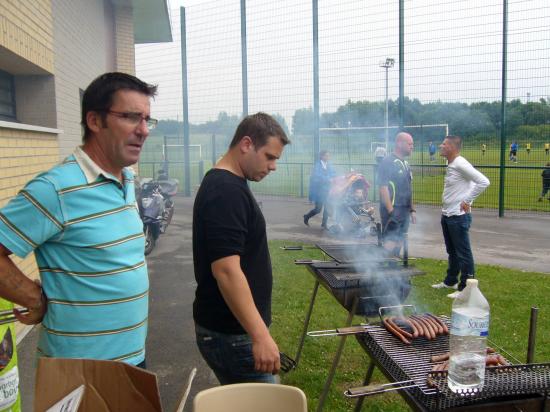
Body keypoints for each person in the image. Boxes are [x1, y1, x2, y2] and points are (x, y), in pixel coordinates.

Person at [0, 72, 157, 366]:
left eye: (147, 119)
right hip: (81, 371)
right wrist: (33, 297)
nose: (144, 130)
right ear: (95, 121)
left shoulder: (124, 179)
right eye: (131, 117)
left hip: (132, 360)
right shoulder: (56, 189)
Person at [192, 112, 290, 384]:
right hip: (232, 335)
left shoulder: (231, 184)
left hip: (233, 332)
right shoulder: (226, 190)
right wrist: (260, 336)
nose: (273, 167)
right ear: (246, 144)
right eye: (270, 157)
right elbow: (225, 270)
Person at [432, 135, 490, 299]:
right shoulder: (451, 163)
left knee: (463, 253)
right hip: (448, 214)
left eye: (444, 144)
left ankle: (466, 287)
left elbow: (483, 181)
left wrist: (467, 200)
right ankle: (450, 281)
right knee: (452, 252)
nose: (441, 146)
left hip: (458, 217)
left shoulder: (460, 163)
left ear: (452, 147)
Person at [378, 132, 416, 257]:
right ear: (400, 143)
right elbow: (383, 187)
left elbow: (409, 188)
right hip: (393, 211)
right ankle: (380, 272)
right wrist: (391, 211)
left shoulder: (405, 164)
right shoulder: (387, 161)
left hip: (404, 211)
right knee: (389, 242)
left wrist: (412, 210)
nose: (412, 147)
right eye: (410, 144)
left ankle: (393, 271)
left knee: (400, 240)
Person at [304, 150, 336, 228]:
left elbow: (333, 173)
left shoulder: (329, 165)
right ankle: (307, 216)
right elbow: (317, 176)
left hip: (327, 190)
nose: (328, 157)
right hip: (319, 191)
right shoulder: (317, 165)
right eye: (326, 156)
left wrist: (332, 177)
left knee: (327, 207)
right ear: (322, 156)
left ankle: (324, 224)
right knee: (318, 209)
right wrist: (328, 179)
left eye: (329, 156)